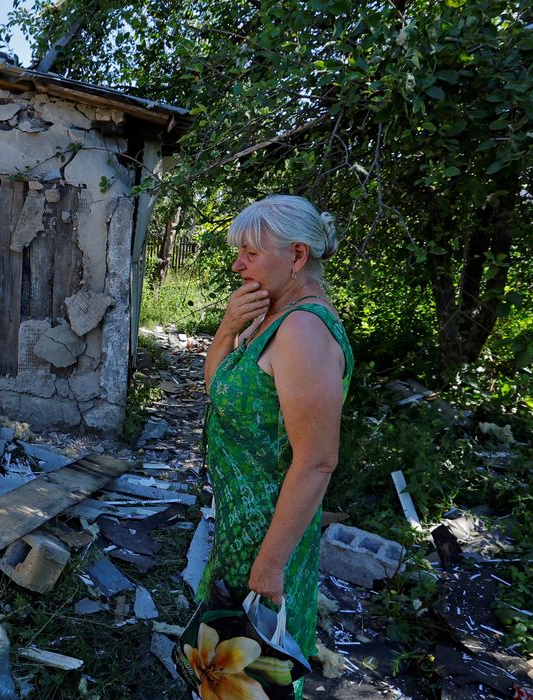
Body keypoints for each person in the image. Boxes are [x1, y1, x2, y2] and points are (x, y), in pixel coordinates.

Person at [199, 194, 353, 699]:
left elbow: (318, 461)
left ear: (298, 255)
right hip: (242, 524)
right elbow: (219, 391)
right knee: (228, 667)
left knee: (253, 672)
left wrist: (269, 564)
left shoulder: (302, 330)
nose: (237, 265)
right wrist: (228, 328)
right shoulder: (270, 314)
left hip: (268, 532)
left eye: (250, 253)